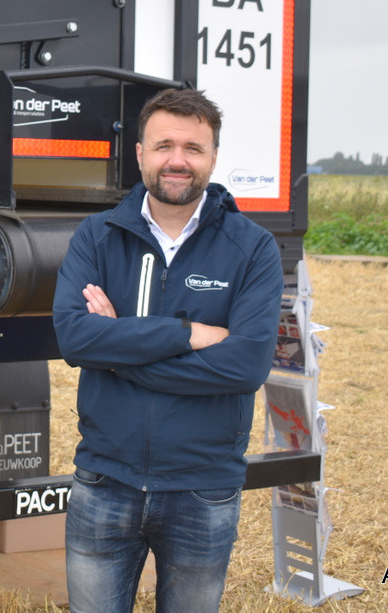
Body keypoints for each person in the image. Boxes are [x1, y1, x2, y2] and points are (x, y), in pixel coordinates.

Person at [52, 87, 283, 613]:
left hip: (203, 488)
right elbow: (74, 337)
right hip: (105, 479)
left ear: (214, 157)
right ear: (140, 154)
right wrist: (187, 333)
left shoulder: (253, 248)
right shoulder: (97, 236)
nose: (177, 160)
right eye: (163, 146)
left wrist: (120, 352)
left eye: (193, 148)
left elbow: (246, 365)